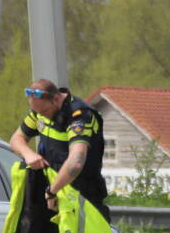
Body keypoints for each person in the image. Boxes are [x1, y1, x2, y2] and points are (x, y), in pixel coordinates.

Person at [9, 79, 110, 223]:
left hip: (82, 196)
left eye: (44, 111)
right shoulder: (39, 111)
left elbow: (76, 162)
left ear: (56, 99)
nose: (41, 116)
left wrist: (52, 192)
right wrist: (29, 154)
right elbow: (16, 139)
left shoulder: (79, 116)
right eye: (37, 112)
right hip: (52, 197)